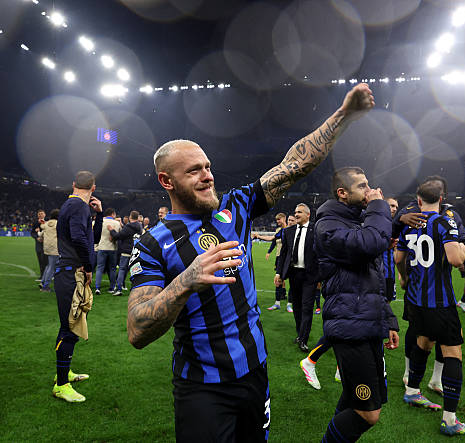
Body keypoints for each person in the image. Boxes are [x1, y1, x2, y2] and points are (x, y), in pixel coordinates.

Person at [126, 83, 375, 442]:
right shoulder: (152, 243)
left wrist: (345, 114)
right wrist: (186, 280)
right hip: (202, 387)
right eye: (193, 171)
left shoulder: (236, 207)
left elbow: (294, 165)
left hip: (255, 372)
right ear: (167, 181)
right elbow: (137, 330)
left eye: (208, 167)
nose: (207, 175)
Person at [314, 166, 399, 442]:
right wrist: (378, 206)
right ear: (342, 193)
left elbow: (371, 281)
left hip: (367, 323)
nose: (369, 190)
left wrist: (389, 319)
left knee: (356, 401)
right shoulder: (328, 225)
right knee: (367, 413)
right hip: (350, 327)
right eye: (362, 186)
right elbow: (371, 242)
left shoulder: (355, 222)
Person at [395, 179, 465, 436]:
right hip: (439, 302)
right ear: (441, 199)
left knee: (424, 343)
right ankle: (450, 420)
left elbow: (398, 257)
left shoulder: (410, 224)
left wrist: (404, 277)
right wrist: (462, 245)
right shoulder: (444, 222)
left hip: (415, 300)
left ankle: (412, 391)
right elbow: (456, 259)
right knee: (453, 353)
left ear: (418, 200)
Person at [52, 170, 103, 402]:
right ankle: (61, 385)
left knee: (69, 326)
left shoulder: (74, 206)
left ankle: (63, 373)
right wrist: (88, 267)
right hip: (72, 272)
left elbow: (92, 239)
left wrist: (99, 215)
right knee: (70, 328)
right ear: (93, 188)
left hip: (68, 271)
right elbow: (80, 239)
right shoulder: (78, 206)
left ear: (74, 184)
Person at [276, 204, 318, 352]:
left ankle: (303, 339)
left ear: (308, 214)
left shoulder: (316, 230)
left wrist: (321, 276)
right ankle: (300, 334)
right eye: (295, 212)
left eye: (299, 212)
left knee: (307, 307)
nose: (296, 214)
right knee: (297, 307)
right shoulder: (288, 231)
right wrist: (279, 273)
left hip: (310, 275)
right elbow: (283, 254)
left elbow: (321, 254)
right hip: (294, 274)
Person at [253, 213, 291, 312]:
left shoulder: (290, 230)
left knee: (290, 280)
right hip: (280, 257)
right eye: (276, 220)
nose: (277, 221)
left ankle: (289, 302)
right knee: (279, 279)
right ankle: (279, 300)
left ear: (284, 219)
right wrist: (268, 250)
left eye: (279, 219)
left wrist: (259, 236)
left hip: (289, 258)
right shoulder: (279, 231)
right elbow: (272, 240)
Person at [108, 210, 143, 295]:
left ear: (130, 217)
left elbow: (118, 236)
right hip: (135, 252)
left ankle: (119, 289)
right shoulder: (140, 226)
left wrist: (111, 230)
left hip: (126, 251)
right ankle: (135, 289)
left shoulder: (129, 227)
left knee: (122, 269)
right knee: (135, 271)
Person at [94, 208, 121, 295]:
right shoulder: (117, 223)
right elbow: (119, 235)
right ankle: (112, 288)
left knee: (99, 268)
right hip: (112, 248)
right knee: (112, 268)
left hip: (102, 247)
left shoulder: (100, 222)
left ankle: (97, 288)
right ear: (113, 214)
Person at [39, 209, 60, 292]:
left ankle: (43, 282)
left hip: (47, 247)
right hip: (55, 247)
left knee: (49, 265)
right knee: (52, 267)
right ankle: (45, 286)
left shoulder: (46, 224)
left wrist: (39, 234)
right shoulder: (59, 224)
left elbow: (41, 233)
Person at [31, 209, 48, 281]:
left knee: (47, 261)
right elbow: (32, 233)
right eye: (39, 214)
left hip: (47, 244)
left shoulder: (48, 222)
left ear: (45, 214)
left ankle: (48, 275)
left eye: (42, 213)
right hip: (38, 244)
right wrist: (37, 237)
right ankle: (42, 276)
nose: (40, 215)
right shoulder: (35, 223)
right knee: (40, 260)